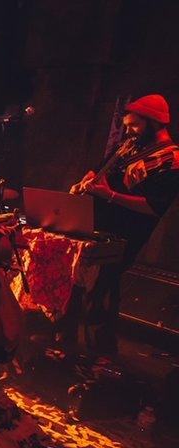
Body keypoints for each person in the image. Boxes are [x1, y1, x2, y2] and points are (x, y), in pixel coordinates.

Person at [70, 94, 179, 354]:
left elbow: (153, 207)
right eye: (127, 125)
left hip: (127, 233)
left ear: (154, 124)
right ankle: (78, 347)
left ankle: (100, 353)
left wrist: (110, 195)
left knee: (102, 288)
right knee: (87, 286)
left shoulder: (170, 159)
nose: (128, 131)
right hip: (100, 227)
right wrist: (87, 180)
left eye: (135, 126)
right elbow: (100, 173)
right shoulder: (129, 146)